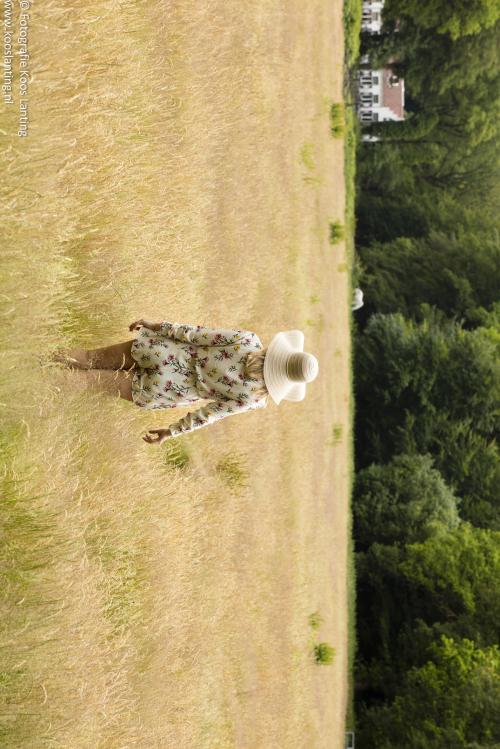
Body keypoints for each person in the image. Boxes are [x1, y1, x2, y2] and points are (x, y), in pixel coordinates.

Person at [50, 320, 319, 444]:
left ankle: (34, 360)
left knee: (89, 357)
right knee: (91, 384)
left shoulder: (248, 341)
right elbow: (210, 414)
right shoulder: (254, 397)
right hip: (164, 390)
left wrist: (159, 327)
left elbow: (198, 335)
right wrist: (173, 431)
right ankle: (42, 384)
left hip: (161, 351)